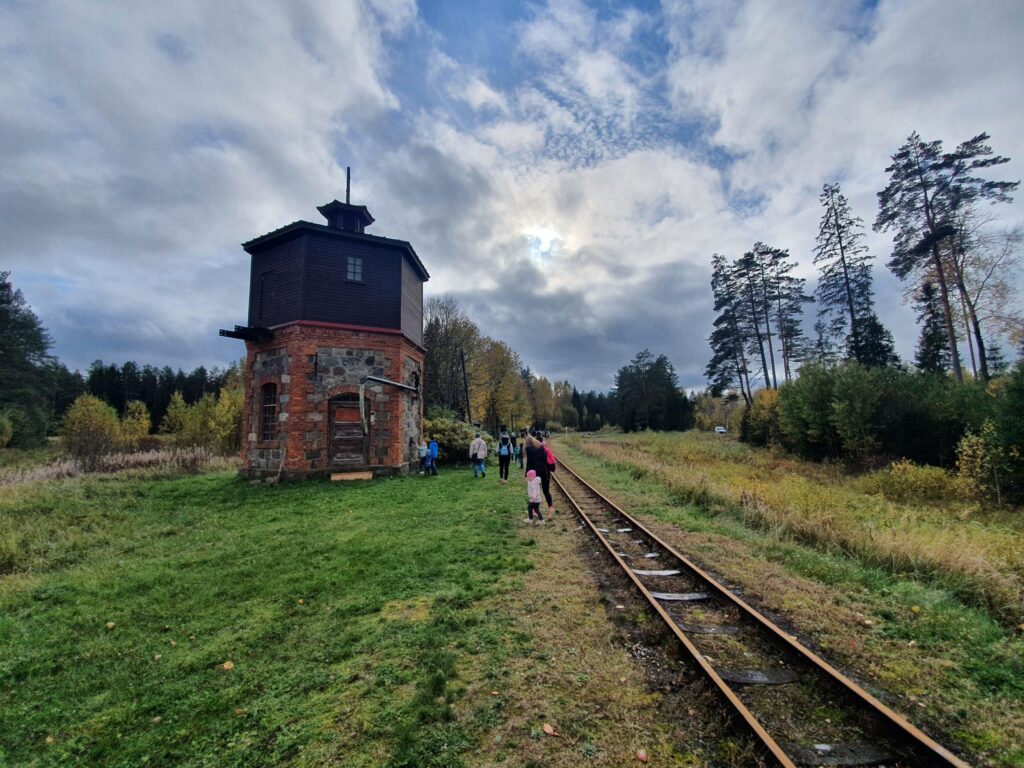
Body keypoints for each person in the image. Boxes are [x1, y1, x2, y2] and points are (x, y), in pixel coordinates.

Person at [524, 433, 554, 517]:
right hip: (545, 473)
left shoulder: (528, 449)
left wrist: (526, 475)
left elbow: (529, 464)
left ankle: (534, 511)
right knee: (546, 491)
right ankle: (550, 508)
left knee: (535, 491)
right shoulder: (542, 447)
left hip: (535, 474)